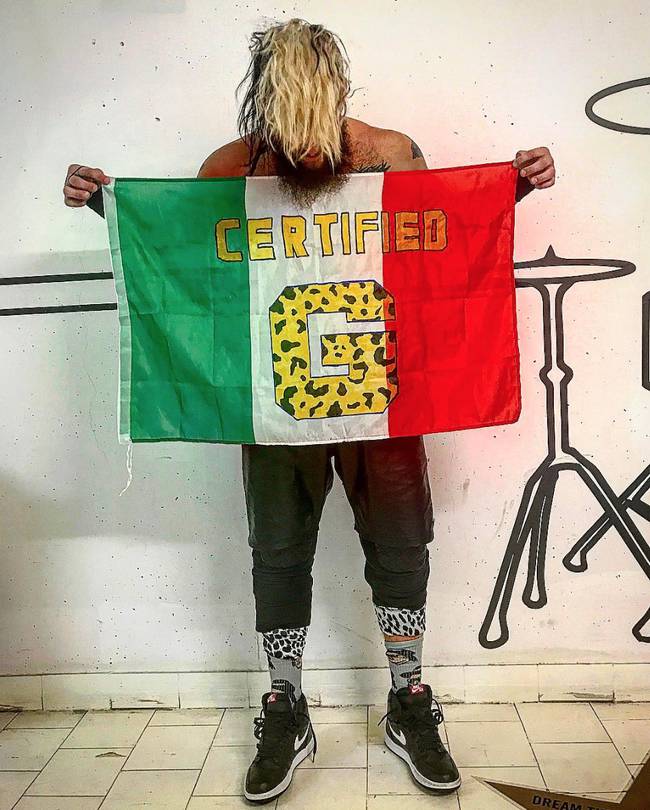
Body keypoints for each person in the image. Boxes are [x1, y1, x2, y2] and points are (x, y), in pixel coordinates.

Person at [63, 17, 556, 803]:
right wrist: (109, 206)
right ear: (262, 112)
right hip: (278, 401)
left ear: (338, 99)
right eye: (289, 139)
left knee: (402, 543)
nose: (309, 155)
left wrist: (511, 188)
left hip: (381, 395)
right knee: (278, 549)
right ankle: (285, 703)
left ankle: (409, 698)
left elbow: (439, 252)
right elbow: (192, 266)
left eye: (318, 133)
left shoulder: (391, 152)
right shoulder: (232, 166)